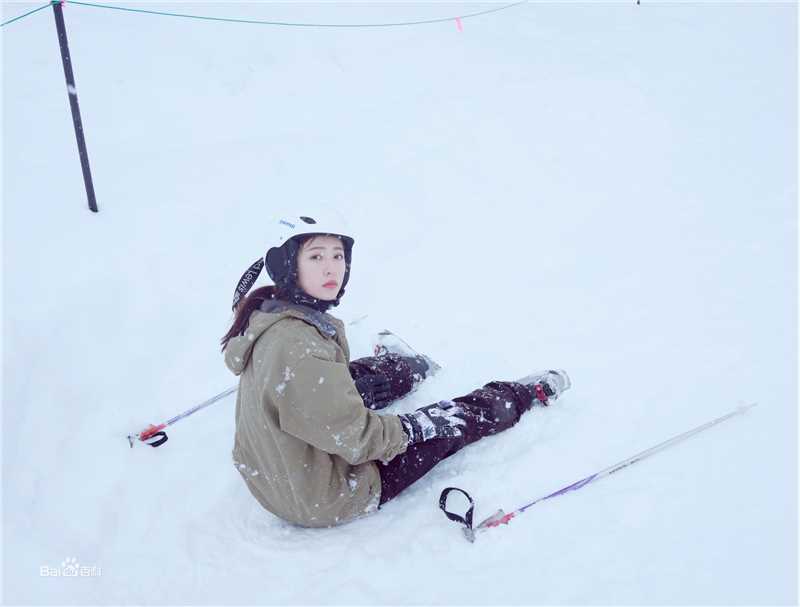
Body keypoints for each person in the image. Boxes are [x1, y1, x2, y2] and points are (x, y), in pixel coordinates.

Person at [222, 211, 571, 528]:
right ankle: (522, 395)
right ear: (287, 265)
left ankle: (405, 367)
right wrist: (413, 428)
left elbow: (315, 389)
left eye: (337, 256)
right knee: (446, 422)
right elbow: (358, 439)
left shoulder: (273, 316)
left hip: (276, 476)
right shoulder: (301, 350)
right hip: (327, 493)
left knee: (353, 379)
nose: (331, 269)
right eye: (316, 257)